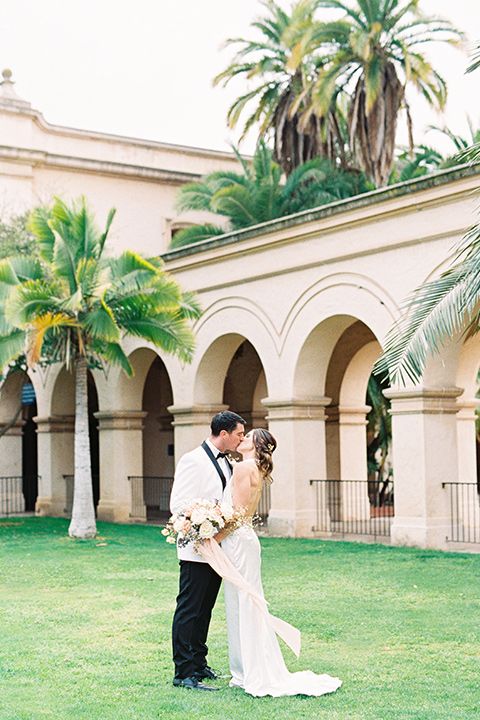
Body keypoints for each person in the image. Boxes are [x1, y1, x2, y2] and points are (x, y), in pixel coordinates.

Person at [216, 428, 343, 697]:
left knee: (243, 604)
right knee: (246, 602)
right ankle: (246, 669)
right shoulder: (255, 469)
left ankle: (247, 671)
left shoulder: (242, 469)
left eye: (247, 436)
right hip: (246, 540)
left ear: (257, 445)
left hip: (238, 541)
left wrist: (213, 539)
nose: (242, 439)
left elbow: (238, 515)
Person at [170, 410, 246, 691]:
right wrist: (206, 521)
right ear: (223, 434)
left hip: (217, 548)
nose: (241, 439)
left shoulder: (227, 461)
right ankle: (183, 673)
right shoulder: (193, 460)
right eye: (238, 434)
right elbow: (178, 506)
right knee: (189, 609)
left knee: (205, 610)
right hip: (196, 549)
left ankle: (199, 664)